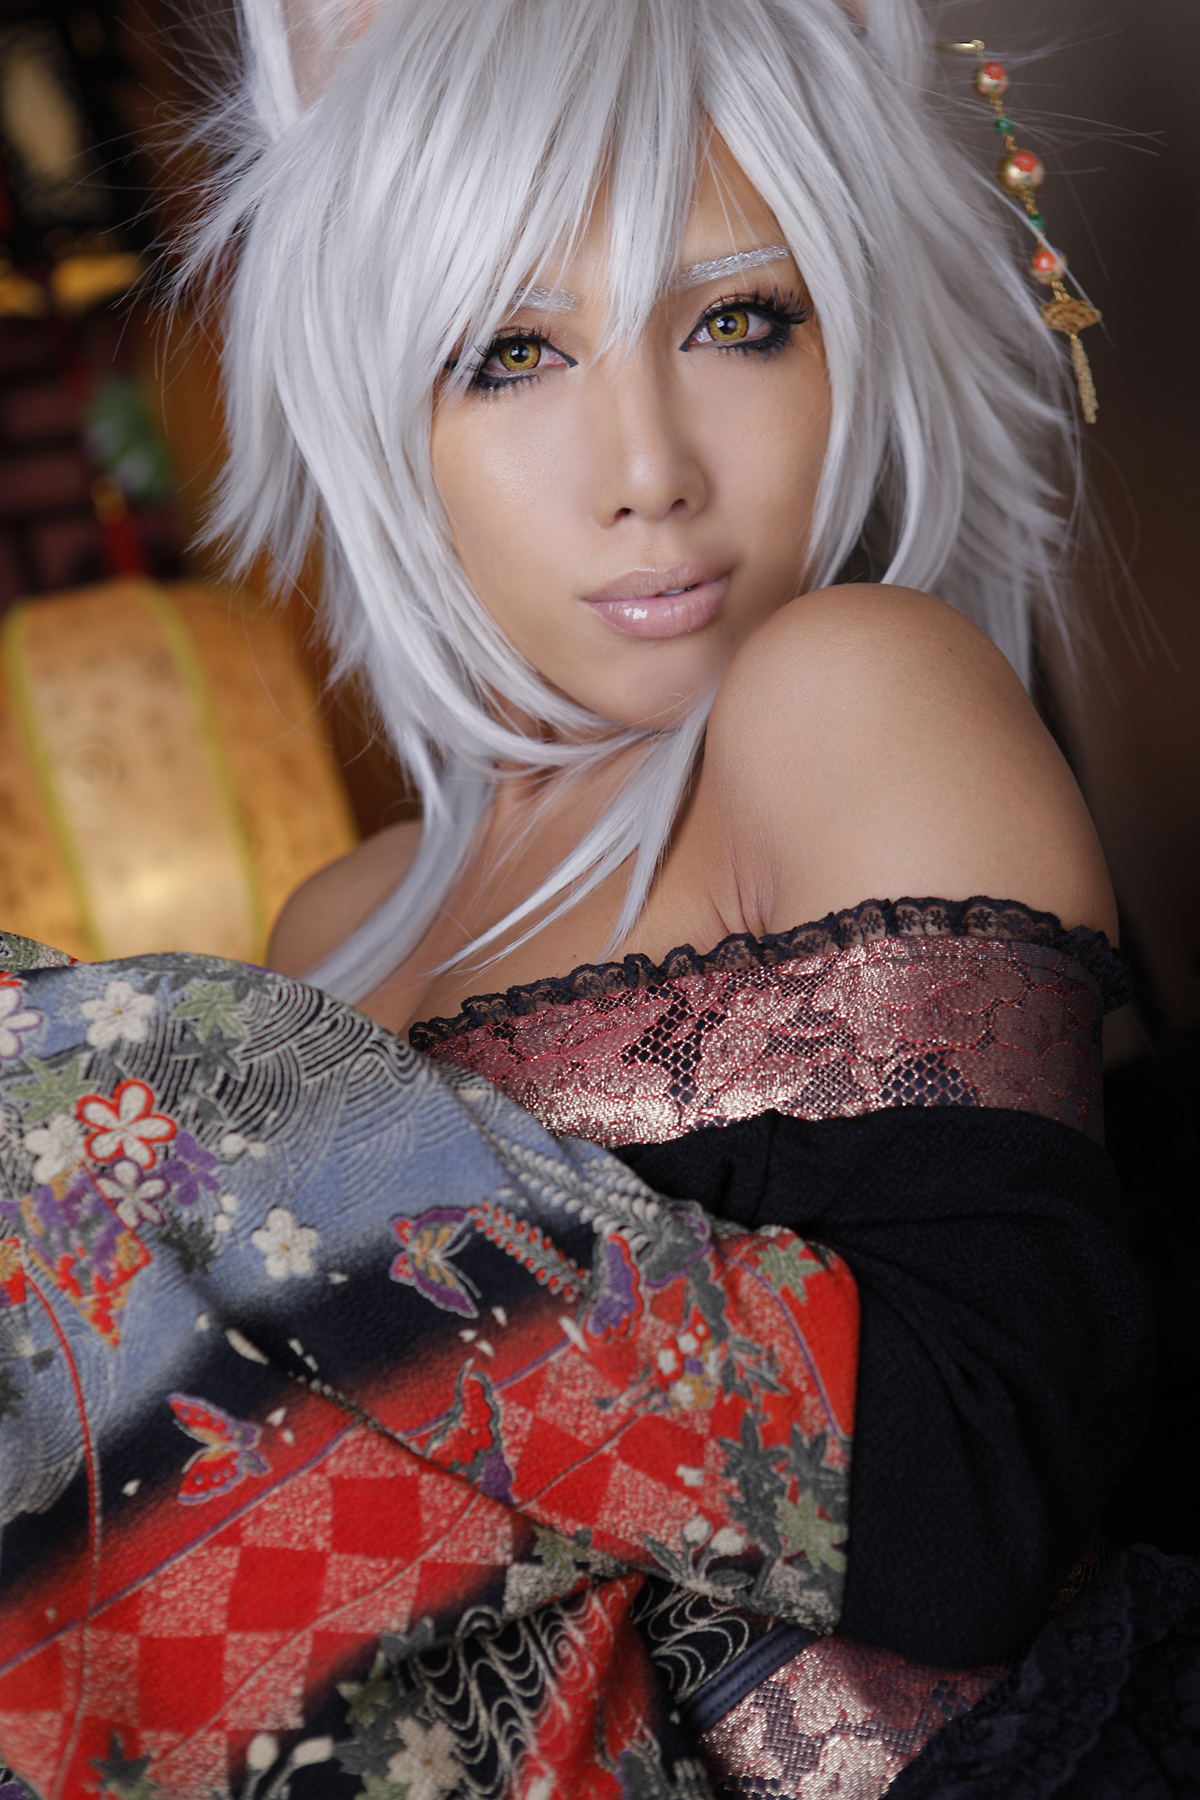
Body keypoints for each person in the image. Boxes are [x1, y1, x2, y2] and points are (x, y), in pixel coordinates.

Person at [0, 2, 1195, 1797]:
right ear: (375, 400)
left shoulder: (855, 689)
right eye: (512, 353)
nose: (648, 469)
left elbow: (970, 1500)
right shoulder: (334, 935)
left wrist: (205, 1108)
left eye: (738, 320)